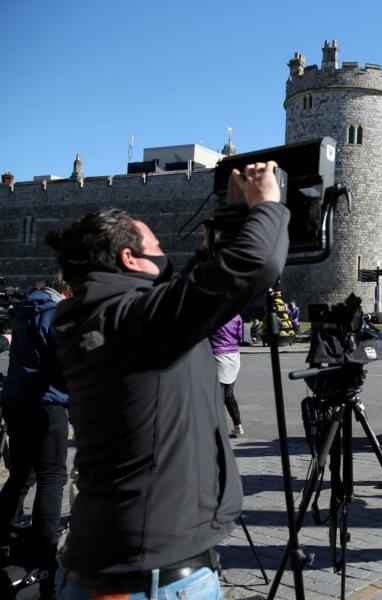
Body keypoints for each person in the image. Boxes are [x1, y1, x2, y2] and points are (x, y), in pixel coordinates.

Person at [48, 160, 288, 599]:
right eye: (154, 242)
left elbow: (186, 296)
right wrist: (268, 205)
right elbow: (256, 264)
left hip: (109, 565)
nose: (164, 250)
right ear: (129, 258)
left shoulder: (97, 318)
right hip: (152, 579)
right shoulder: (133, 321)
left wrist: (227, 226)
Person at [0, 273, 71, 597]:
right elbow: (62, 362)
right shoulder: (55, 314)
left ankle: (2, 536)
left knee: (20, 474)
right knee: (52, 477)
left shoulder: (26, 309)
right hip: (47, 402)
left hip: (15, 401)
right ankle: (44, 551)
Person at [210, 314, 245, 437]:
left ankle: (217, 429)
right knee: (229, 395)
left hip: (218, 355)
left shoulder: (214, 315)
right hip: (234, 356)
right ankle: (237, 425)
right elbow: (240, 337)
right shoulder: (237, 316)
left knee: (217, 396)